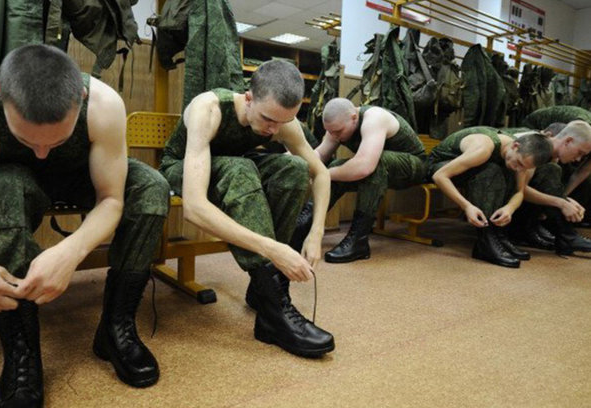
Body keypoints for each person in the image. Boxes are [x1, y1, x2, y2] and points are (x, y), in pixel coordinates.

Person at [0, 44, 170, 408]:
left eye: (56, 140)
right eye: (29, 140)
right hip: (12, 177)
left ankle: (116, 328)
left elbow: (112, 199)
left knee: (151, 186)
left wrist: (71, 251)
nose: (43, 153)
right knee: (4, 192)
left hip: (85, 174)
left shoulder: (104, 105)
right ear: (2, 97)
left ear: (80, 97)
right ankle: (22, 356)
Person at [159, 59, 335, 358]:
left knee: (293, 168)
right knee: (240, 171)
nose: (274, 129)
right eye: (268, 119)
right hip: (182, 170)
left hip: (235, 171)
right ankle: (274, 307)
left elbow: (321, 173)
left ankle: (264, 290)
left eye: (282, 122)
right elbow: (195, 208)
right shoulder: (209, 109)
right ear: (249, 97)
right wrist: (272, 249)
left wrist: (316, 233)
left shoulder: (281, 122)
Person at [298, 98, 427, 263]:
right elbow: (321, 154)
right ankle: (304, 224)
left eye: (338, 131)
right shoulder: (337, 126)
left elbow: (364, 166)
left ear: (354, 118)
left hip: (415, 167)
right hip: (380, 170)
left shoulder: (374, 118)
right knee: (336, 166)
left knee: (375, 165)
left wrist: (323, 175)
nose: (334, 136)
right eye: (330, 132)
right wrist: (299, 166)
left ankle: (358, 240)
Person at [428, 127, 552, 268]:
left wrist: (509, 208)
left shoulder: (520, 157)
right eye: (519, 163)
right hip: (439, 166)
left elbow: (519, 192)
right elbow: (440, 176)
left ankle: (498, 235)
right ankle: (485, 241)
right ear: (515, 146)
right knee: (491, 171)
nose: (519, 169)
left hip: (468, 170)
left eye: (524, 168)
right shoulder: (483, 148)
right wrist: (467, 206)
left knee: (507, 174)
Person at [514, 121, 591, 255]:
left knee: (552, 171)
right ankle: (567, 236)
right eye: (579, 152)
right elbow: (520, 190)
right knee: (551, 170)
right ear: (568, 141)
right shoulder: (535, 147)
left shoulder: (550, 153)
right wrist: (561, 202)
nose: (578, 159)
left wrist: (564, 199)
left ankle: (564, 236)